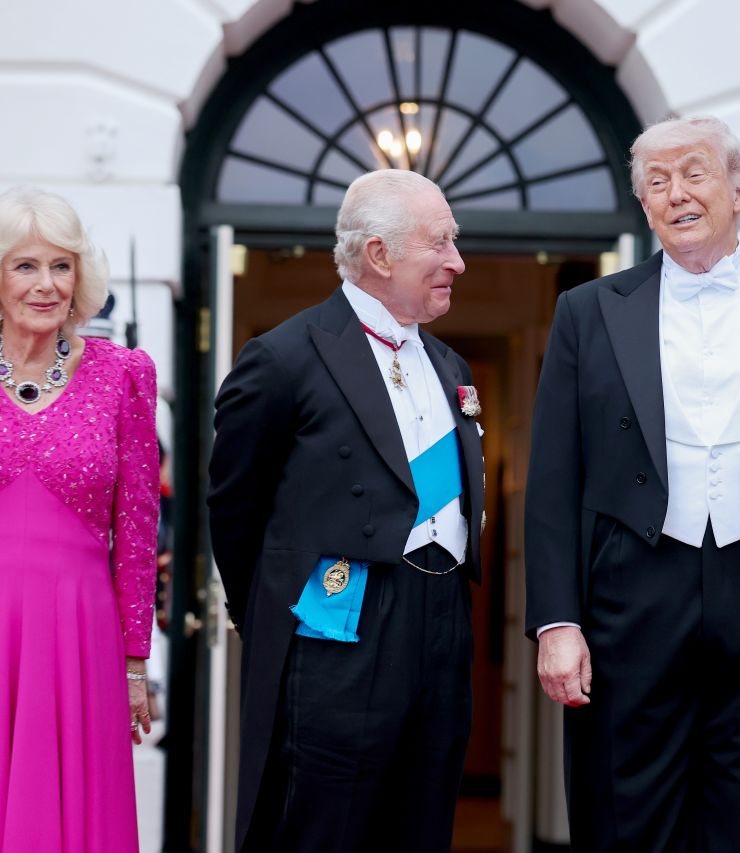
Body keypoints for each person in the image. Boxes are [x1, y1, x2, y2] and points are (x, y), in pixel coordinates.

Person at [524, 116, 740, 851]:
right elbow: (553, 479)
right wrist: (557, 622)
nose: (676, 194)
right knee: (628, 812)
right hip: (630, 597)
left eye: (694, 174)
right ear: (644, 205)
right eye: (657, 182)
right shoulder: (586, 312)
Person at [208, 169, 485, 852]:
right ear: (380, 254)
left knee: (422, 825)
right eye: (440, 243)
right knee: (323, 828)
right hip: (339, 628)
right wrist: (271, 613)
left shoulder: (450, 365)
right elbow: (234, 507)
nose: (457, 261)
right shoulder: (283, 358)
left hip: (442, 620)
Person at [0, 186, 158, 851]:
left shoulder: (122, 375)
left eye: (61, 266)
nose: (46, 284)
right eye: (25, 265)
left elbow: (137, 534)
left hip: (73, 635)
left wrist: (134, 661)